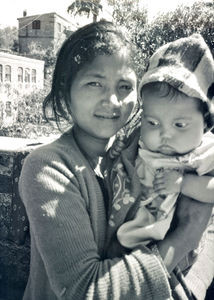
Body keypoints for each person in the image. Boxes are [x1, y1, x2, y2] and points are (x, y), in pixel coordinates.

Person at [18, 21, 212, 300]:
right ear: (65, 90)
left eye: (124, 86)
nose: (112, 100)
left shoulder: (144, 150)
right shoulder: (48, 167)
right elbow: (86, 291)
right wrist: (184, 239)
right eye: (94, 83)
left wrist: (195, 282)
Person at [105, 34, 214, 299]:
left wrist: (184, 183)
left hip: (174, 252)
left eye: (179, 125)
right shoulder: (140, 142)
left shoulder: (202, 153)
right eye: (153, 123)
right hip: (125, 240)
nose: (164, 134)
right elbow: (114, 173)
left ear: (206, 122)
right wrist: (116, 153)